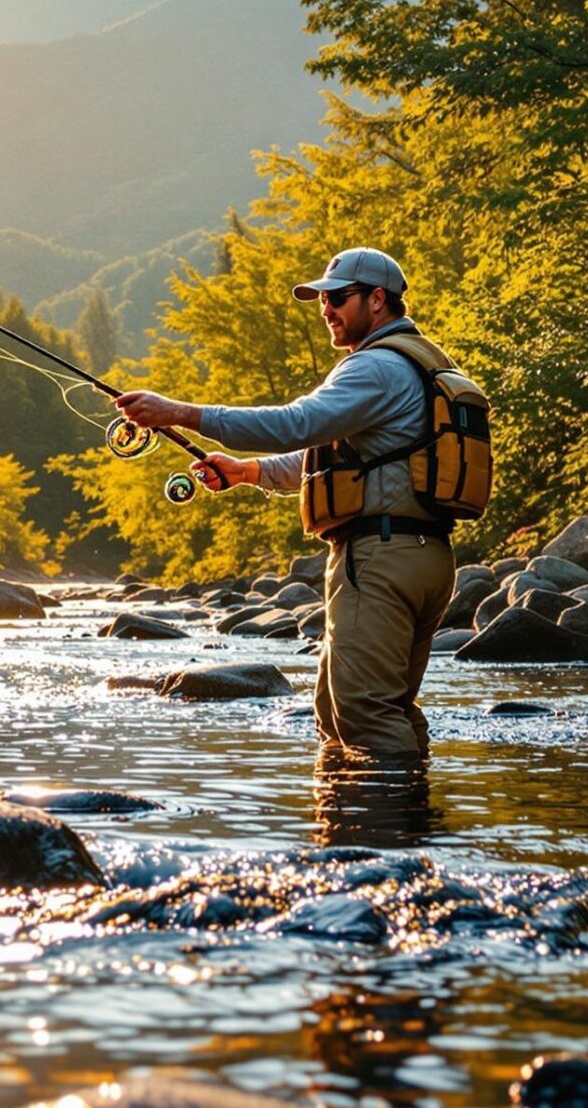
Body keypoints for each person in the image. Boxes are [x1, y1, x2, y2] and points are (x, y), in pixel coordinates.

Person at [112, 246, 460, 768]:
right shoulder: (420, 363)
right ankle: (364, 826)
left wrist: (182, 413)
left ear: (378, 300)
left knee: (364, 712)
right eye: (322, 299)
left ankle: (390, 839)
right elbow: (336, 457)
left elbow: (295, 423)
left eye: (339, 298)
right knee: (347, 708)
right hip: (423, 553)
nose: (326, 309)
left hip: (381, 557)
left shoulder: (376, 367)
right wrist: (248, 471)